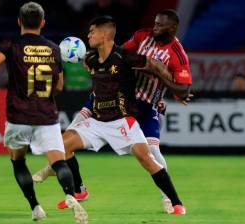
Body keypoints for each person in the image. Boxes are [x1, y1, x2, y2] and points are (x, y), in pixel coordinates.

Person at [33, 9, 192, 214]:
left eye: (160, 25)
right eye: (155, 23)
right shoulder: (138, 39)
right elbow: (114, 55)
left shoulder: (174, 53)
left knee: (150, 155)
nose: (155, 28)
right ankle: (76, 189)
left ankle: (172, 201)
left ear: (173, 28)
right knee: (64, 140)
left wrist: (162, 90)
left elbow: (171, 80)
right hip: (105, 107)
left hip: (135, 109)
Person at [0, 2, 88, 223]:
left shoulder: (11, 44)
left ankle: (36, 207)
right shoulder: (54, 49)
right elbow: (58, 87)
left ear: (19, 22)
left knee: (18, 162)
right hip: (47, 117)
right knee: (59, 162)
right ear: (43, 23)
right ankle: (70, 194)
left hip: (18, 116)